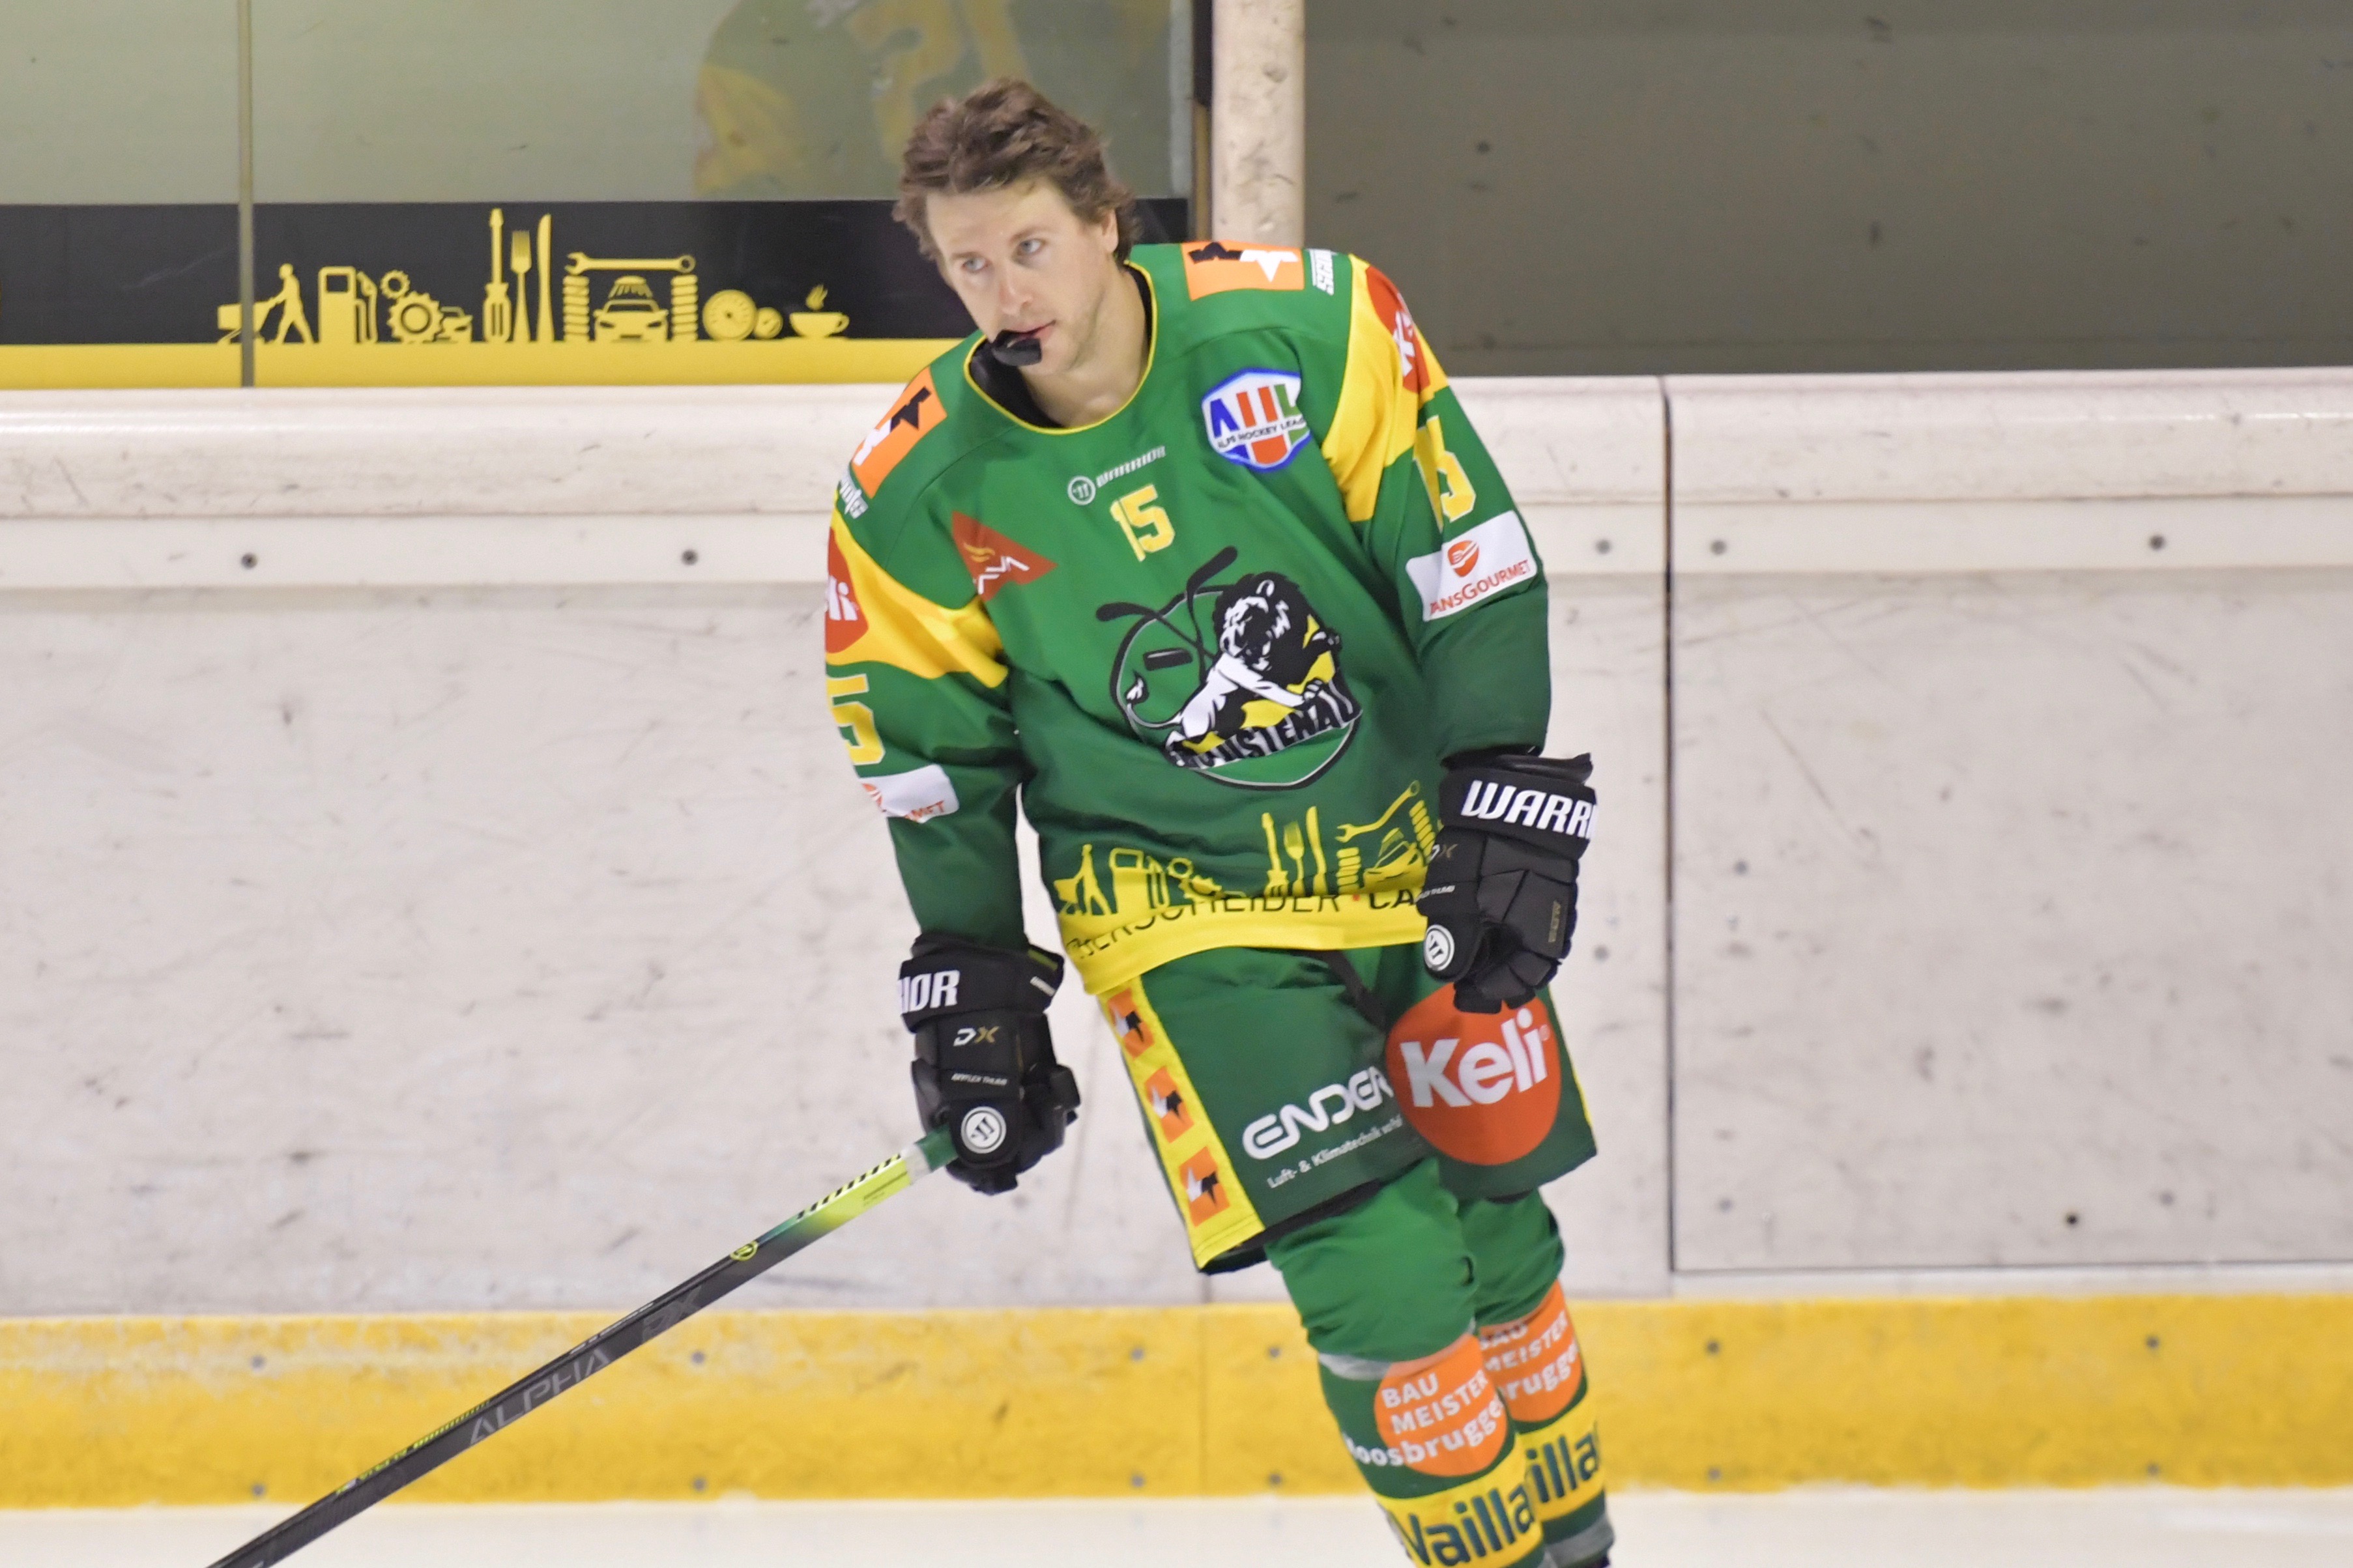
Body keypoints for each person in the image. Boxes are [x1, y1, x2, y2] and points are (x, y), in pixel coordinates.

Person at [823, 78, 1612, 1568]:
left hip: (1408, 860)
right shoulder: (913, 490)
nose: (1005, 293)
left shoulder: (1315, 329)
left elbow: (1467, 562)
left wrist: (1501, 785)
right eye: (969, 263)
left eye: (1030, 247)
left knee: (1498, 1235)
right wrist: (976, 974)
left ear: (1105, 223)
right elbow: (928, 758)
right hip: (1183, 912)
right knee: (1379, 1267)